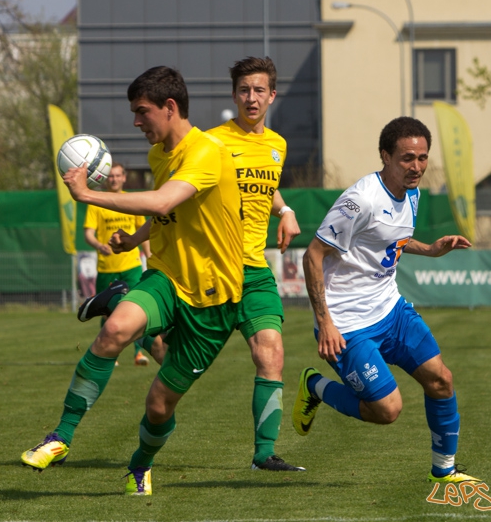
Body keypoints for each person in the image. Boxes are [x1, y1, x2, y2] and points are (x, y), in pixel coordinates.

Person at [20, 66, 244, 497]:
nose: (136, 122)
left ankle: (140, 465)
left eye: (142, 112)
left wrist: (86, 195)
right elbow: (168, 213)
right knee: (114, 331)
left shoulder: (206, 152)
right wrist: (136, 239)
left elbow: (162, 199)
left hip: (215, 300)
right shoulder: (162, 154)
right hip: (168, 275)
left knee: (159, 405)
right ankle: (60, 437)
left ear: (170, 107)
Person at [297, 116, 480, 484]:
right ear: (385, 155)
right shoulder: (360, 200)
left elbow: (386, 240)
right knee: (387, 410)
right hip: (347, 323)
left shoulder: (412, 192)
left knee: (441, 380)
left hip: (391, 310)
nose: (416, 167)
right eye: (407, 158)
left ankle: (444, 469)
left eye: (423, 157)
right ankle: (314, 385)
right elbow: (312, 256)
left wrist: (429, 249)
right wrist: (326, 324)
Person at [145, 56, 303, 471]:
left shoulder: (277, 145)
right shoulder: (209, 142)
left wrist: (284, 210)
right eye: (244, 90)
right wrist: (138, 236)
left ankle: (264, 454)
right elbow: (174, 202)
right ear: (234, 95)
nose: (252, 97)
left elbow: (264, 188)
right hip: (210, 268)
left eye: (259, 90)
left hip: (253, 270)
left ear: (272, 95)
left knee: (271, 353)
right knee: (174, 361)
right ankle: (144, 327)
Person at [82, 162, 152, 366]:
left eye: (117, 175)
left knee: (138, 311)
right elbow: (88, 233)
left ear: (124, 178)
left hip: (131, 266)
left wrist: (149, 258)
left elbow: (143, 232)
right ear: (106, 179)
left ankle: (138, 353)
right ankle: (109, 354)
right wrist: (98, 244)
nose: (113, 179)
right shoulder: (98, 202)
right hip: (107, 267)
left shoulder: (132, 201)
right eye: (110, 176)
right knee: (108, 313)